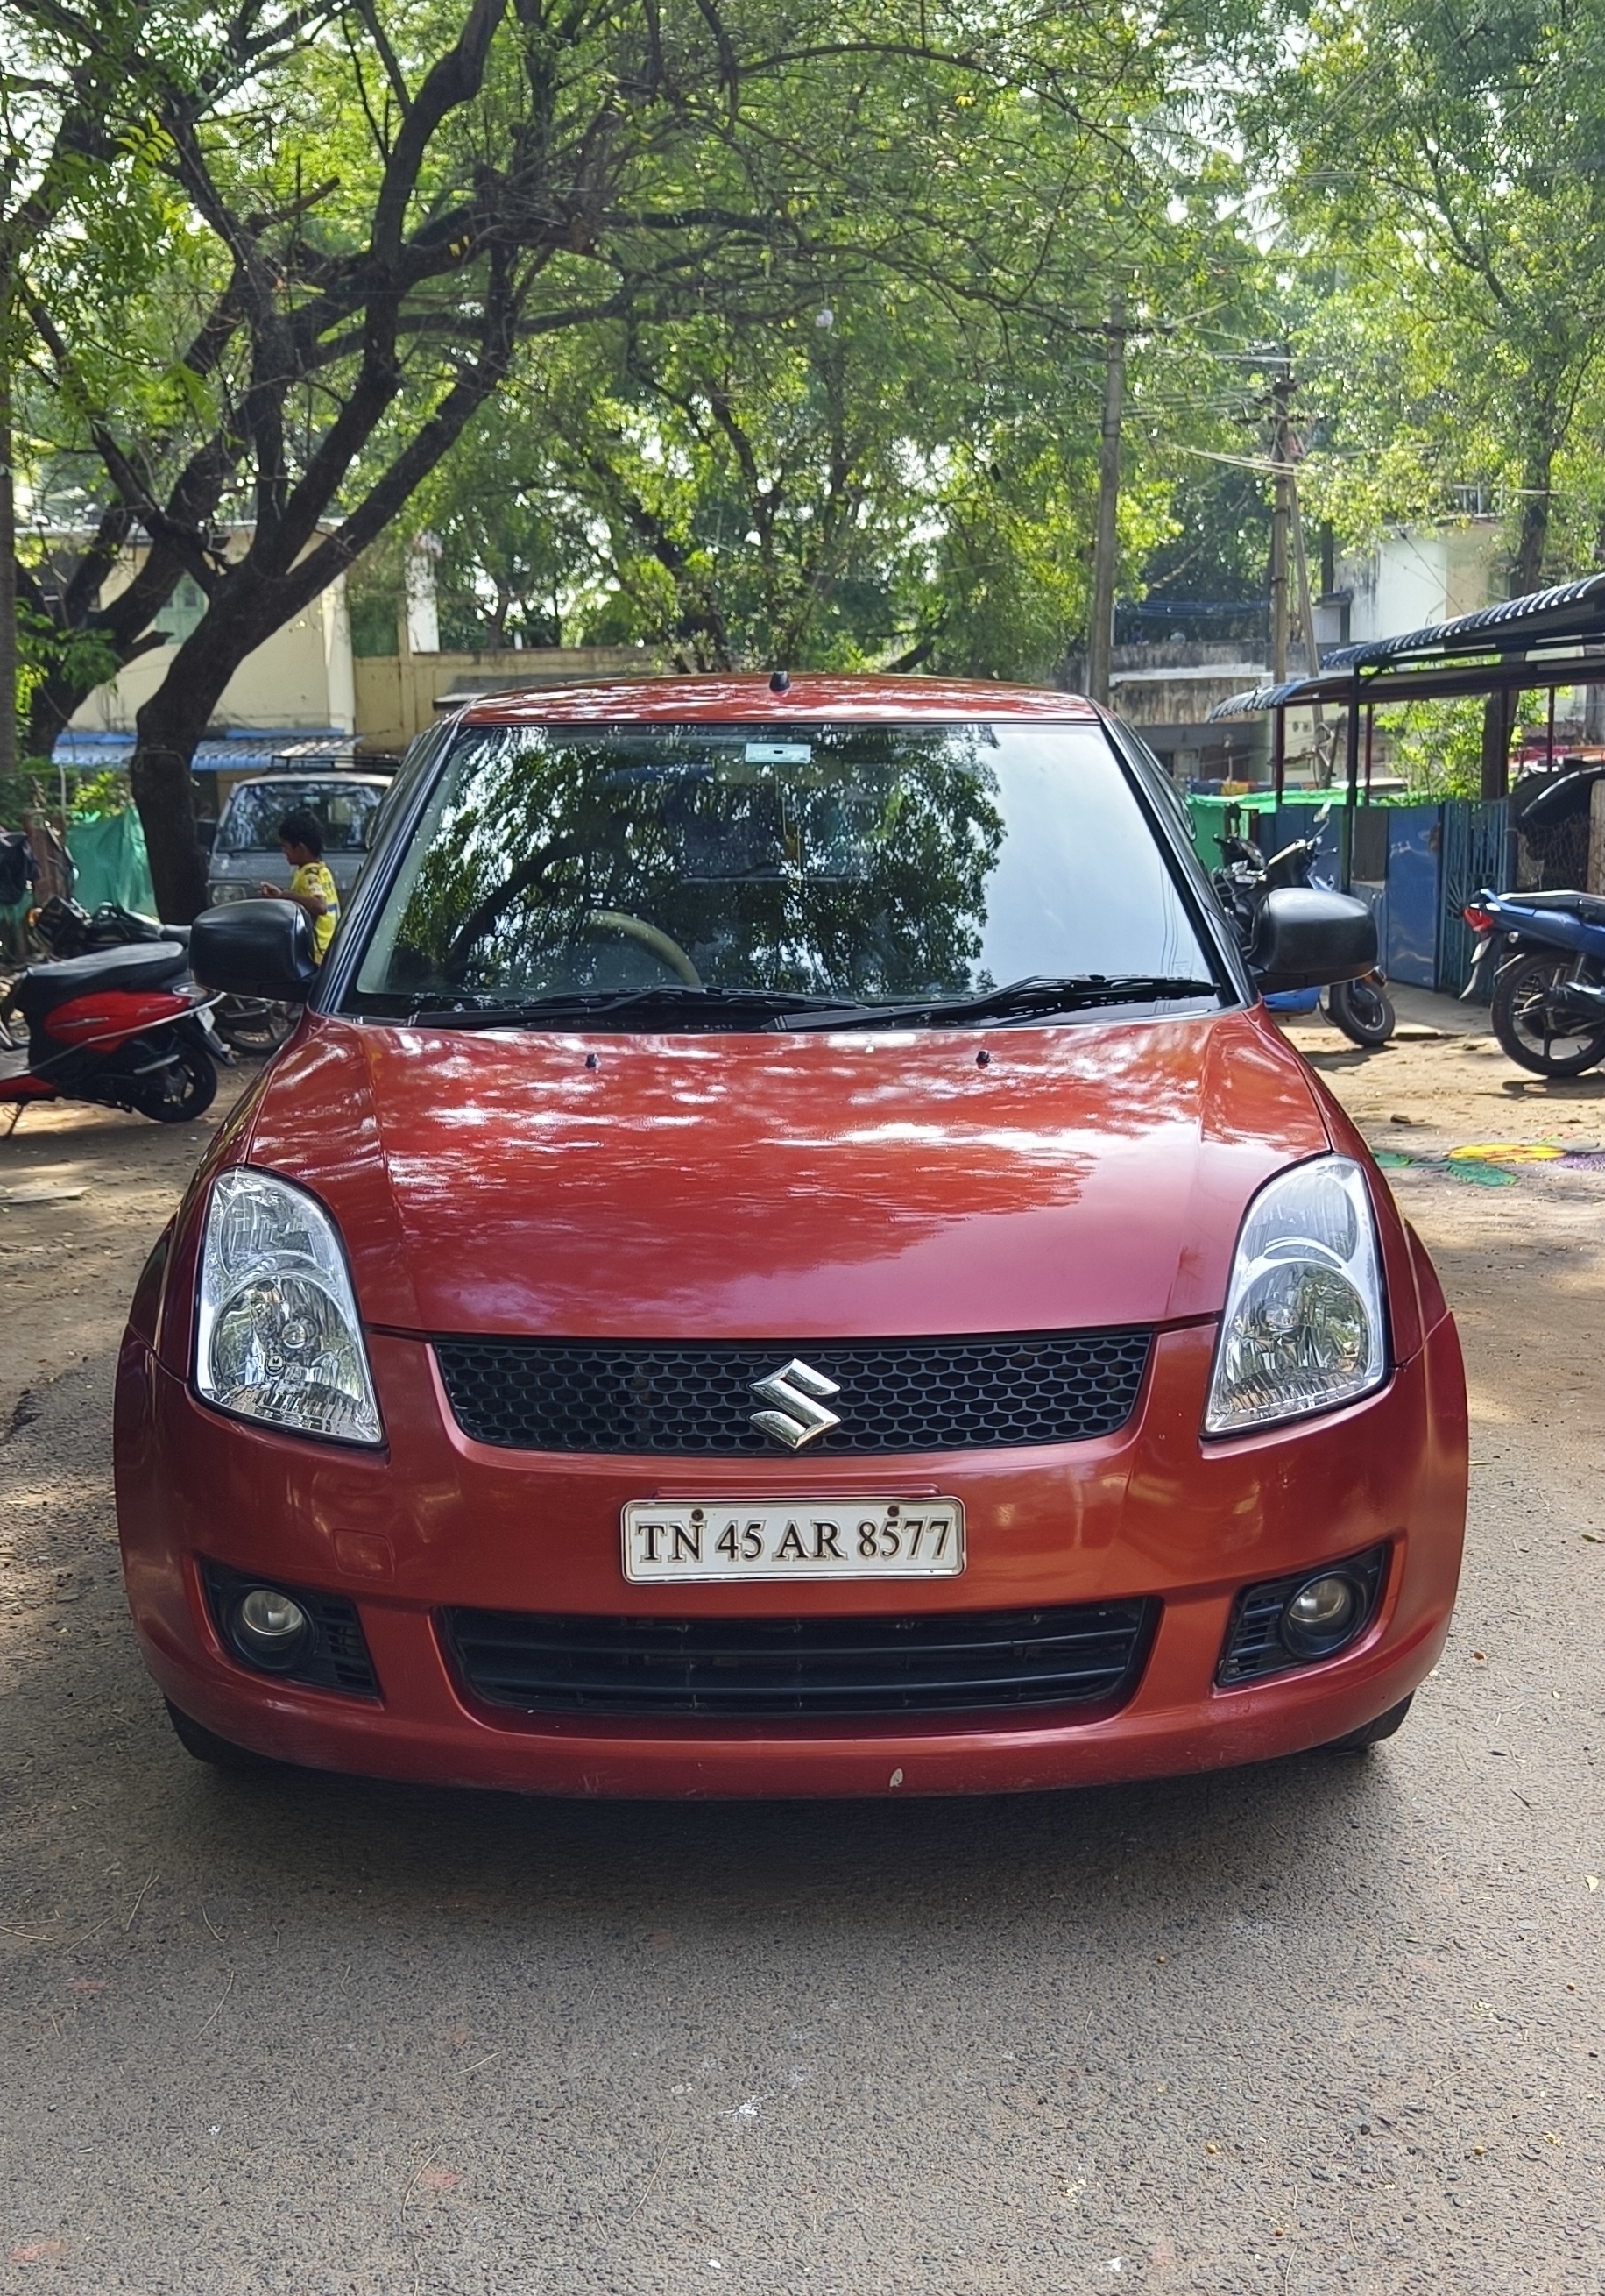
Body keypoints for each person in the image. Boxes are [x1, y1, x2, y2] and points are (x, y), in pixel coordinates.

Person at [262, 807, 339, 961]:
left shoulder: (310, 876)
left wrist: (285, 895)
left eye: (286, 846)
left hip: (317, 955)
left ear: (301, 849)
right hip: (330, 950)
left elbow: (320, 906)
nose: (283, 851)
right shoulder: (322, 870)